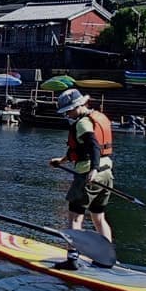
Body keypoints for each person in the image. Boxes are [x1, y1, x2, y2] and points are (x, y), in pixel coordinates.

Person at [47, 88, 114, 261]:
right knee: (99, 217)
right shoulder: (97, 117)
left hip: (89, 175)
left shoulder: (83, 123)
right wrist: (61, 161)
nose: (67, 115)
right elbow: (81, 150)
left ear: (78, 105)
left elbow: (93, 146)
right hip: (107, 174)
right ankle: (106, 257)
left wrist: (93, 168)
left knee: (75, 218)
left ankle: (72, 259)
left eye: (68, 111)